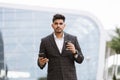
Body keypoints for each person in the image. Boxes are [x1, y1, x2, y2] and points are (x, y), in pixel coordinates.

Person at [37, 13, 84, 80]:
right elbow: (41, 62)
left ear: (64, 25)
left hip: (70, 78)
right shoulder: (45, 41)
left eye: (60, 23)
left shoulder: (73, 39)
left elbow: (80, 60)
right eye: (56, 23)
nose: (58, 25)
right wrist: (40, 63)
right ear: (52, 25)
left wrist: (75, 52)